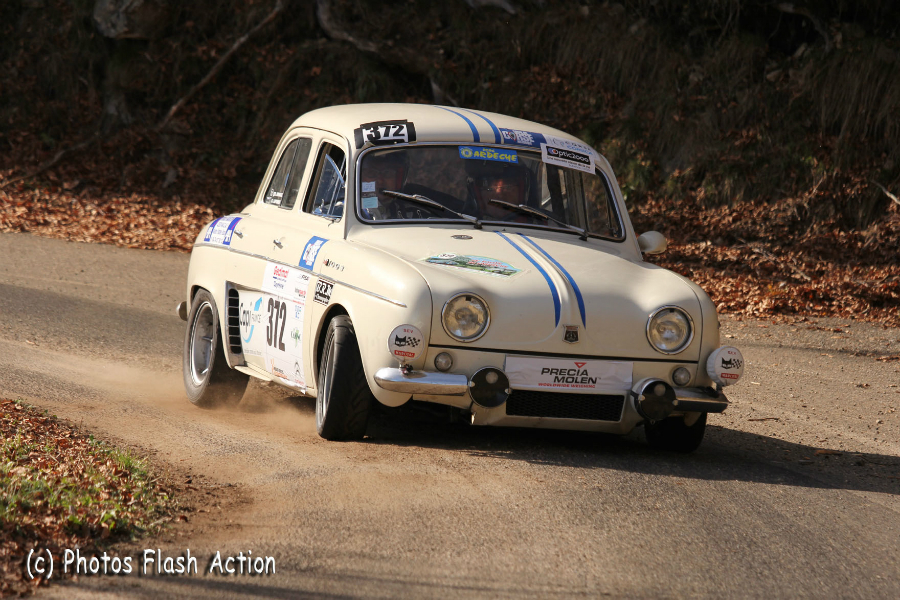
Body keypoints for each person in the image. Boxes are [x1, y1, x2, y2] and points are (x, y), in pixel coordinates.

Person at [466, 161, 531, 222]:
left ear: (521, 192)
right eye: (490, 188)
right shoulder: (464, 227)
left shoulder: (539, 226)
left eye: (508, 187)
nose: (499, 194)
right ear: (478, 194)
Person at [358, 149, 409, 220]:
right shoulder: (350, 209)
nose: (380, 181)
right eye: (371, 173)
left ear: (398, 179)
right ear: (360, 178)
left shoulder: (412, 207)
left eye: (387, 173)